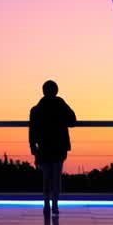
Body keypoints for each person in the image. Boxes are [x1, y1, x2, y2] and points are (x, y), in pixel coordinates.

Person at [29, 80, 76, 216]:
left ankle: (46, 204)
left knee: (46, 177)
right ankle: (55, 204)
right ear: (56, 91)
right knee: (56, 177)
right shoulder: (60, 104)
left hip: (44, 147)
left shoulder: (36, 109)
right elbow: (72, 120)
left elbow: (32, 130)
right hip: (59, 146)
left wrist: (32, 146)